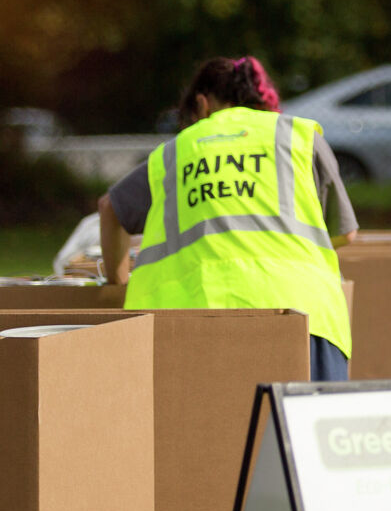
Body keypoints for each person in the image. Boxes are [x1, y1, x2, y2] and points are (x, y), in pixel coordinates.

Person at [99, 57, 357, 380]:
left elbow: (110, 208)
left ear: (201, 104)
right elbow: (345, 233)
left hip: (193, 325)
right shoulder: (297, 136)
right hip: (307, 317)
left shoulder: (176, 151)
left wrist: (117, 281)